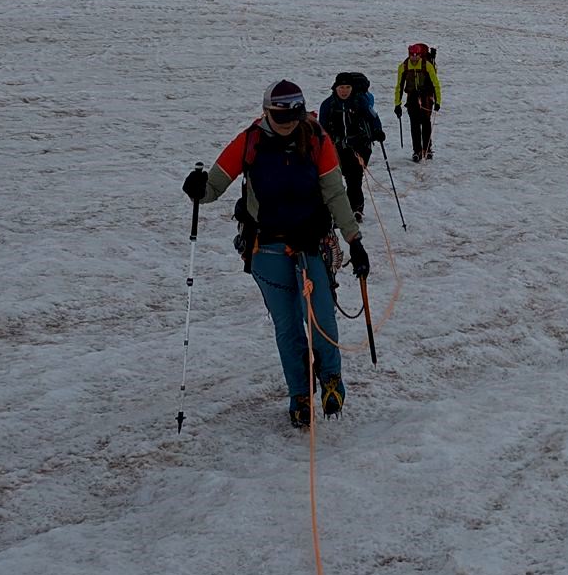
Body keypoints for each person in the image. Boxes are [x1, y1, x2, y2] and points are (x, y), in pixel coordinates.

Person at [182, 80, 371, 429]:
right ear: (267, 112)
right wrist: (197, 189)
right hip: (266, 248)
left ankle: (331, 380)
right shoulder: (249, 140)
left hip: (311, 244)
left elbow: (334, 192)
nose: (287, 125)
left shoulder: (317, 138)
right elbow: (213, 186)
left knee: (321, 320)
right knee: (287, 328)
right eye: (280, 117)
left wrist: (354, 239)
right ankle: (299, 395)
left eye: (292, 118)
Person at [318, 71, 385, 223]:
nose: (344, 90)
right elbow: (321, 128)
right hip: (336, 148)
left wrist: (378, 131)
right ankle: (344, 210)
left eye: (348, 87)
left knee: (353, 179)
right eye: (342, 87)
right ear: (335, 88)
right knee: (336, 181)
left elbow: (373, 117)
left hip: (360, 147)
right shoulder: (328, 105)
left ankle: (355, 210)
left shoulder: (360, 101)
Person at [396, 43, 442, 162]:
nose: (414, 57)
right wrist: (397, 104)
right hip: (412, 99)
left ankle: (427, 149)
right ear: (409, 54)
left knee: (426, 123)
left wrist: (438, 101)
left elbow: (436, 84)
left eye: (417, 55)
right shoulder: (404, 67)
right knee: (414, 125)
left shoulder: (427, 66)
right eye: (412, 55)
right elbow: (399, 87)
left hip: (426, 98)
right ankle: (417, 151)